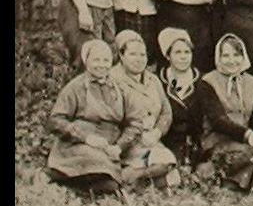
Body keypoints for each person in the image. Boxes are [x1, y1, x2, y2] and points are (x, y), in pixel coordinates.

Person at [46, 40, 140, 194]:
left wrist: (119, 146)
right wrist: (86, 138)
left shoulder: (121, 88)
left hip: (111, 146)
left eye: (106, 60)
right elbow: (55, 120)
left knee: (148, 161)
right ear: (86, 61)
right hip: (78, 144)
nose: (101, 65)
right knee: (100, 167)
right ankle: (67, 179)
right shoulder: (75, 87)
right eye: (96, 60)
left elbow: (135, 122)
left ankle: (81, 182)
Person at [197, 33, 253, 191]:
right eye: (226, 55)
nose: (231, 60)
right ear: (219, 57)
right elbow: (218, 120)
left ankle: (235, 183)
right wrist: (249, 136)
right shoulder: (208, 82)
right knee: (247, 153)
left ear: (243, 56)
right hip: (219, 140)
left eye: (236, 55)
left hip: (247, 142)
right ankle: (212, 174)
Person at [110, 30, 180, 188]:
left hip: (151, 140)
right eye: (133, 54)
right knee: (167, 172)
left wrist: (157, 132)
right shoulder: (112, 80)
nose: (139, 59)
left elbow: (166, 112)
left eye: (142, 54)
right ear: (121, 55)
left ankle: (134, 177)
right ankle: (134, 176)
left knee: (172, 174)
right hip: (127, 143)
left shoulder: (152, 79)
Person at [157, 28, 204, 165]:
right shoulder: (158, 82)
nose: (183, 57)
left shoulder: (202, 81)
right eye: (177, 52)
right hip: (167, 143)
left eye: (187, 52)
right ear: (168, 56)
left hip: (198, 143)